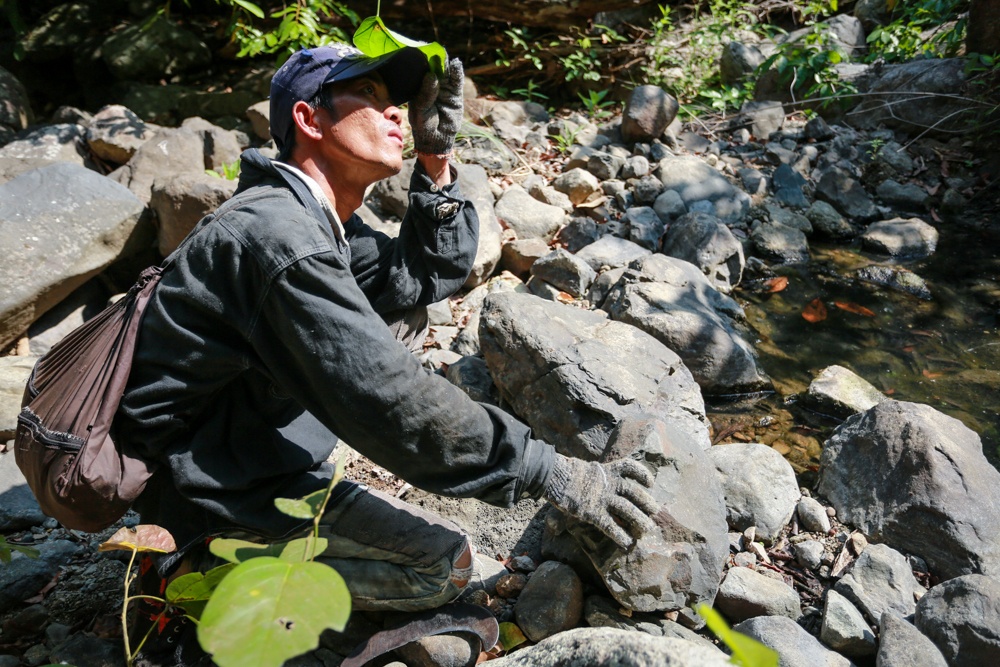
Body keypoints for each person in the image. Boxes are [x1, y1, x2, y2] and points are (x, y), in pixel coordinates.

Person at [116, 42, 657, 660]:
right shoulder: (277, 236)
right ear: (308, 120)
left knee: (404, 310)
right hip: (208, 485)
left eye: (396, 100)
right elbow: (387, 394)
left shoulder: (312, 219)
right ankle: (197, 575)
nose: (397, 111)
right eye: (370, 95)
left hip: (241, 450)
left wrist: (436, 160)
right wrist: (549, 471)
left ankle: (232, 553)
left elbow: (425, 273)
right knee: (442, 568)